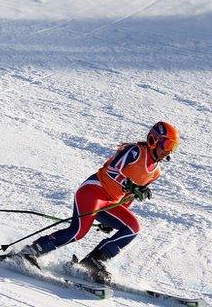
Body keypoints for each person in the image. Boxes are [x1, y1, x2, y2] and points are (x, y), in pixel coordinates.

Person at [12, 121, 180, 283]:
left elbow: (129, 196)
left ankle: (93, 261)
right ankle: (30, 252)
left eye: (173, 147)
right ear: (154, 140)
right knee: (78, 231)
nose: (168, 152)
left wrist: (116, 217)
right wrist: (131, 185)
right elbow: (112, 169)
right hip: (93, 191)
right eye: (166, 145)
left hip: (110, 203)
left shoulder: (155, 172)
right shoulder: (135, 151)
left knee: (132, 227)